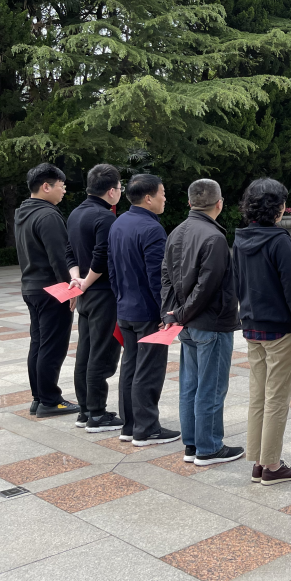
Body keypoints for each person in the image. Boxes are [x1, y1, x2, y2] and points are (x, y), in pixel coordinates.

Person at [162, 179, 243, 466]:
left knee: (190, 385)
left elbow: (165, 277)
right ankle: (209, 447)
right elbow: (207, 287)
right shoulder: (214, 238)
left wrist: (171, 313)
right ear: (219, 203)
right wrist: (181, 313)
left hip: (186, 322)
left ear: (189, 203)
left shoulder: (175, 233)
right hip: (210, 322)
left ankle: (193, 444)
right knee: (211, 387)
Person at [234, 178, 291, 486]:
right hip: (278, 330)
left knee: (258, 396)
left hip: (251, 326)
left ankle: (258, 462)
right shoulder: (280, 241)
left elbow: (237, 283)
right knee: (276, 398)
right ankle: (272, 466)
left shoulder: (240, 238)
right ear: (279, 208)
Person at [110, 174, 178, 446]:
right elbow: (157, 276)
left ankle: (129, 426)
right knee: (148, 370)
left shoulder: (119, 223)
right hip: (148, 312)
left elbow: (112, 269)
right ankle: (147, 429)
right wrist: (165, 311)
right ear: (148, 198)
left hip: (125, 308)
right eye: (162, 193)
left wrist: (120, 299)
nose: (165, 198)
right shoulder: (151, 229)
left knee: (130, 367)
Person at [16, 163, 81, 418]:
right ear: (46, 186)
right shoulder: (48, 216)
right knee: (52, 346)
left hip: (31, 288)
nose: (63, 191)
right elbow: (59, 258)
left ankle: (39, 398)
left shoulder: (23, 212)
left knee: (39, 343)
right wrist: (70, 291)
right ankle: (50, 401)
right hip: (52, 290)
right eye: (61, 186)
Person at [68, 164, 124, 432]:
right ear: (111, 191)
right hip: (102, 294)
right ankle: (97, 414)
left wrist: (77, 280)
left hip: (85, 294)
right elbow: (101, 257)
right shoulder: (106, 218)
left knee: (86, 351)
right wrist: (87, 281)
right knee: (101, 354)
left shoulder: (76, 213)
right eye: (120, 188)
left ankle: (85, 410)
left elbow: (69, 251)